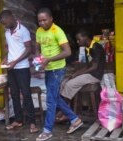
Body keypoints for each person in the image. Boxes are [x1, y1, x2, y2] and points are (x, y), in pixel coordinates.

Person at [35, 8, 83, 141]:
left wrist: (49, 59)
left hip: (57, 69)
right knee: (54, 97)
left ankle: (47, 130)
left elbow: (67, 52)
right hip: (48, 68)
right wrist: (39, 58)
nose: (42, 23)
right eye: (40, 21)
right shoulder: (39, 31)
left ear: (51, 19)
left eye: (45, 20)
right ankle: (75, 119)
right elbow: (38, 46)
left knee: (50, 100)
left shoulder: (58, 31)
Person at [0, 10, 38, 133]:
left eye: (5, 23)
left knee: (26, 95)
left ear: (11, 17)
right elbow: (11, 48)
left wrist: (15, 61)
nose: (5, 26)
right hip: (11, 69)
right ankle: (18, 120)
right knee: (14, 95)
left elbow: (29, 50)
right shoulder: (7, 32)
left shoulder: (23, 31)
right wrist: (6, 58)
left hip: (22, 68)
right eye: (3, 24)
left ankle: (32, 122)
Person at [60, 29, 106, 102]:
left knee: (69, 84)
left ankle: (63, 109)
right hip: (89, 74)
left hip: (95, 75)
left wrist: (77, 73)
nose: (77, 42)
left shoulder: (96, 48)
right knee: (64, 82)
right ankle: (65, 107)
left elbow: (94, 67)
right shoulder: (87, 48)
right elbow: (87, 66)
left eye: (79, 39)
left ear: (86, 38)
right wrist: (75, 74)